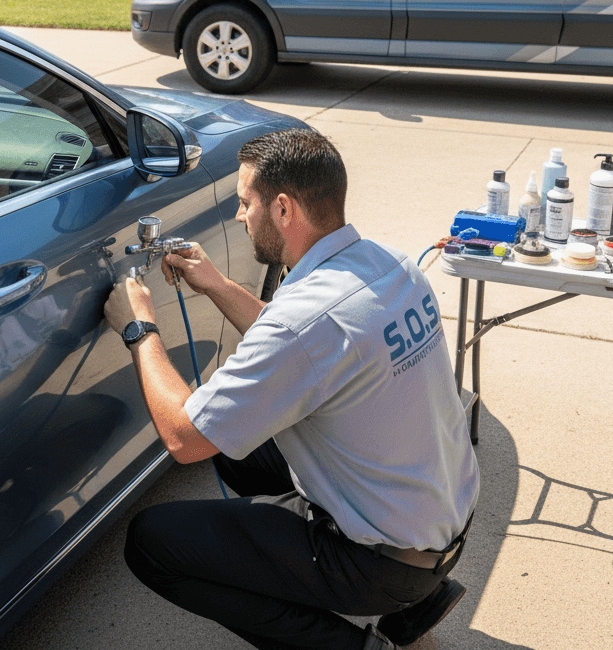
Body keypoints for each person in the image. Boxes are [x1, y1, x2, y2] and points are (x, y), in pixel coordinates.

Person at [103, 128, 479, 650]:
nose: (240, 216)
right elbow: (309, 348)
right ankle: (418, 602)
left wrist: (139, 328)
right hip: (441, 521)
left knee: (151, 544)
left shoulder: (304, 321)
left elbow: (184, 437)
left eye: (245, 202)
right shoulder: (389, 264)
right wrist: (216, 284)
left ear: (283, 208)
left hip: (384, 562)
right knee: (237, 449)